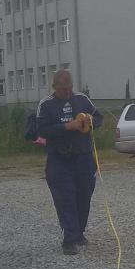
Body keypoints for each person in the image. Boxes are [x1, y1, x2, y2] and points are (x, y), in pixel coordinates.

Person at [36, 70, 103, 255]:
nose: (67, 92)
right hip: (59, 159)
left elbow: (99, 118)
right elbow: (41, 130)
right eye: (63, 89)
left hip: (83, 157)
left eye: (69, 88)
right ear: (54, 87)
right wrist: (67, 126)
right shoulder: (46, 104)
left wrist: (91, 120)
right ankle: (69, 240)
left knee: (84, 196)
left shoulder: (82, 99)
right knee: (66, 198)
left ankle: (79, 232)